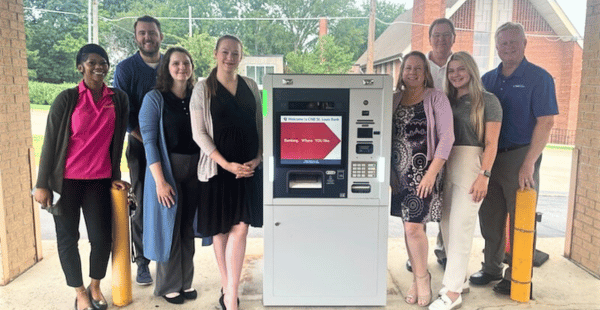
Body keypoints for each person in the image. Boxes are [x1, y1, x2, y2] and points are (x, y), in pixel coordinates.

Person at [34, 44, 129, 310]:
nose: (99, 67)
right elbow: (50, 143)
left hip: (99, 181)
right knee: (68, 238)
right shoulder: (67, 99)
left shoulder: (118, 99)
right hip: (66, 182)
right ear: (80, 66)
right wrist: (42, 184)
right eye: (91, 62)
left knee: (101, 238)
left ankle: (95, 285)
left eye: (103, 62)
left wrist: (115, 176)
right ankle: (79, 292)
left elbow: (117, 142)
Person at [468, 22, 558, 296]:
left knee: (521, 219)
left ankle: (518, 275)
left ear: (524, 44)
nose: (508, 48)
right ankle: (492, 267)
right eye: (503, 43)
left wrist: (530, 162)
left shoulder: (539, 78)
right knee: (490, 216)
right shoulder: (488, 79)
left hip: (521, 156)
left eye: (514, 42)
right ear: (496, 47)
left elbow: (546, 123)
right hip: (491, 157)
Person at [190, 35, 263, 310]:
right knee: (220, 232)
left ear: (241, 57)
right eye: (225, 52)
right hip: (217, 171)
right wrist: (226, 163)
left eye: (235, 53)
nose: (230, 58)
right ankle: (228, 287)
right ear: (216, 53)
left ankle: (230, 292)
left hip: (246, 170)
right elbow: (199, 133)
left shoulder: (253, 87)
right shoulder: (202, 89)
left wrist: (257, 159)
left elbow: (262, 124)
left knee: (241, 228)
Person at [428, 51, 502, 310]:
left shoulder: (488, 101)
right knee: (447, 226)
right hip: (446, 163)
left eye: (461, 69)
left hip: (472, 165)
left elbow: (492, 143)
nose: (456, 74)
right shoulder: (446, 100)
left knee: (461, 228)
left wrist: (484, 175)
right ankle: (459, 280)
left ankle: (452, 293)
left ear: (471, 70)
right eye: (451, 71)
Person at [390, 51, 454, 307]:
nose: (412, 73)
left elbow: (447, 138)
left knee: (413, 228)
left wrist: (431, 173)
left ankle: (423, 278)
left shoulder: (436, 98)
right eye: (408, 68)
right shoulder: (394, 99)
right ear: (402, 72)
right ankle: (417, 279)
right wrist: (391, 175)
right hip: (399, 175)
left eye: (418, 68)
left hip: (424, 173)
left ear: (426, 72)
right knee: (408, 227)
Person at [138, 47, 200, 304]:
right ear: (167, 67)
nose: (182, 67)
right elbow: (150, 142)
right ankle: (167, 285)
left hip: (194, 171)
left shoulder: (197, 96)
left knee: (187, 227)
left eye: (186, 63)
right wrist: (160, 182)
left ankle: (185, 282)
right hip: (167, 172)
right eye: (176, 63)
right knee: (169, 229)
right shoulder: (155, 99)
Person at [113, 15, 164, 286]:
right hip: (140, 147)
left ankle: (167, 258)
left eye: (152, 33)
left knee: (170, 200)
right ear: (136, 37)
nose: (147, 37)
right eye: (142, 33)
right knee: (144, 202)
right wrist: (147, 140)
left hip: (172, 149)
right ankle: (143, 262)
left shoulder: (171, 64)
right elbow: (123, 113)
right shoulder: (126, 69)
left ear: (161, 36)